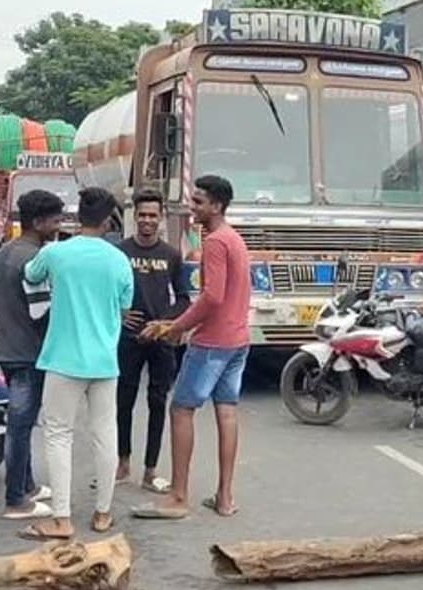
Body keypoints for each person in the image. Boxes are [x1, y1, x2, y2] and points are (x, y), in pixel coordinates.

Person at [133, 175, 250, 520]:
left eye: (199, 202)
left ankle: (178, 497)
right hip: (237, 340)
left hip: (212, 342)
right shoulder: (234, 238)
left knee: (181, 409)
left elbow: (212, 297)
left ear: (217, 206)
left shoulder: (215, 242)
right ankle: (225, 497)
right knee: (227, 411)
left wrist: (176, 326)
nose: (192, 207)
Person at [18, 187, 133, 541]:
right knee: (105, 434)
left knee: (58, 435)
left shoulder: (56, 253)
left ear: (77, 216)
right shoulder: (119, 260)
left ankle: (62, 518)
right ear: (109, 220)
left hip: (63, 359)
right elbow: (125, 308)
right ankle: (103, 513)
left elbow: (31, 274)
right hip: (104, 361)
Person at [0, 189, 66, 520]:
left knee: (20, 423)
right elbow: (42, 312)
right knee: (20, 427)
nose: (59, 226)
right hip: (29, 353)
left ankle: (28, 485)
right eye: (55, 221)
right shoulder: (35, 260)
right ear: (38, 222)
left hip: (9, 348)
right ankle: (15, 500)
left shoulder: (5, 252)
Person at [115, 189, 190, 494]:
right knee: (123, 401)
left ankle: (150, 470)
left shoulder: (171, 255)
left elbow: (183, 299)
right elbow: (106, 291)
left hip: (161, 340)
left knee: (158, 402)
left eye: (152, 215)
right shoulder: (120, 252)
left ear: (161, 218)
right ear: (135, 217)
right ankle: (122, 464)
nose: (147, 220)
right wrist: (119, 314)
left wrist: (163, 323)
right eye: (142, 215)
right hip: (128, 338)